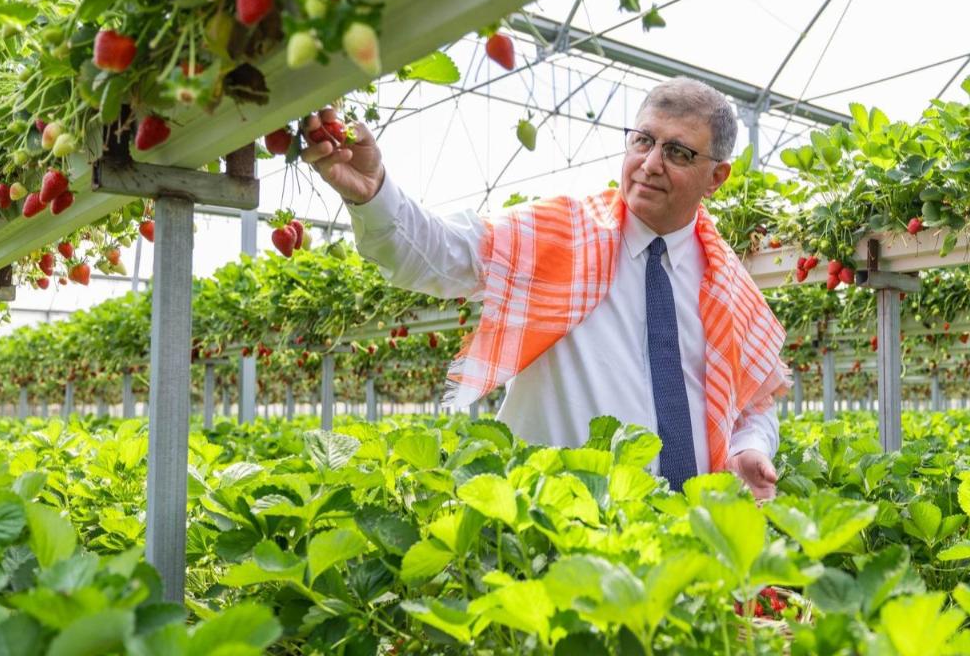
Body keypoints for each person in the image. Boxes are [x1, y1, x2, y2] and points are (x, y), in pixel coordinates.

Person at [301, 77, 790, 498]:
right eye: (643, 140)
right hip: (556, 532)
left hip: (689, 543)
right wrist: (373, 193)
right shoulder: (559, 236)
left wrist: (752, 448)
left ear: (717, 177)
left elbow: (751, 407)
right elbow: (438, 254)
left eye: (677, 152)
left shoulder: (728, 284)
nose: (651, 163)